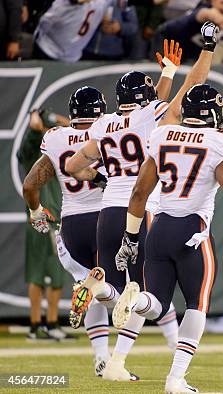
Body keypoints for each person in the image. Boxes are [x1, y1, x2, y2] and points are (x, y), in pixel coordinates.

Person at [110, 23, 223, 393]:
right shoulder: (220, 139)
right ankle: (175, 379)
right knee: (196, 307)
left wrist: (131, 239)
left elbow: (138, 193)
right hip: (193, 232)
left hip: (159, 229)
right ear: (212, 112)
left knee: (157, 302)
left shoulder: (162, 133)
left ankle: (137, 300)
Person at [65, 40, 183, 382]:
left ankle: (94, 287)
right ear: (146, 98)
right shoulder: (151, 115)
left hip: (108, 210)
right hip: (141, 206)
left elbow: (73, 165)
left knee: (113, 291)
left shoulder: (103, 125)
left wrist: (100, 175)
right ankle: (124, 360)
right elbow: (164, 106)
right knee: (146, 292)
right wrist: (177, 71)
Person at [22, 86, 114, 375]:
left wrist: (36, 211)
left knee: (90, 283)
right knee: (129, 290)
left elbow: (29, 185)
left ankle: (101, 359)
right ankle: (120, 361)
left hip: (71, 226)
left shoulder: (55, 138)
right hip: (105, 219)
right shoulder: (109, 130)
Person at [17, 109, 73, 342]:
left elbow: (74, 128)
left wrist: (53, 118)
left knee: (48, 273)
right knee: (43, 274)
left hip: (50, 217)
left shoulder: (56, 150)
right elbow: (33, 134)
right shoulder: (34, 150)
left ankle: (43, 325)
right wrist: (36, 120)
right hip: (44, 217)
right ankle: (42, 324)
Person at [33, 0, 116, 62]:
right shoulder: (63, 4)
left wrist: (107, 15)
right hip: (48, 50)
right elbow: (44, 23)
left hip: (71, 57)